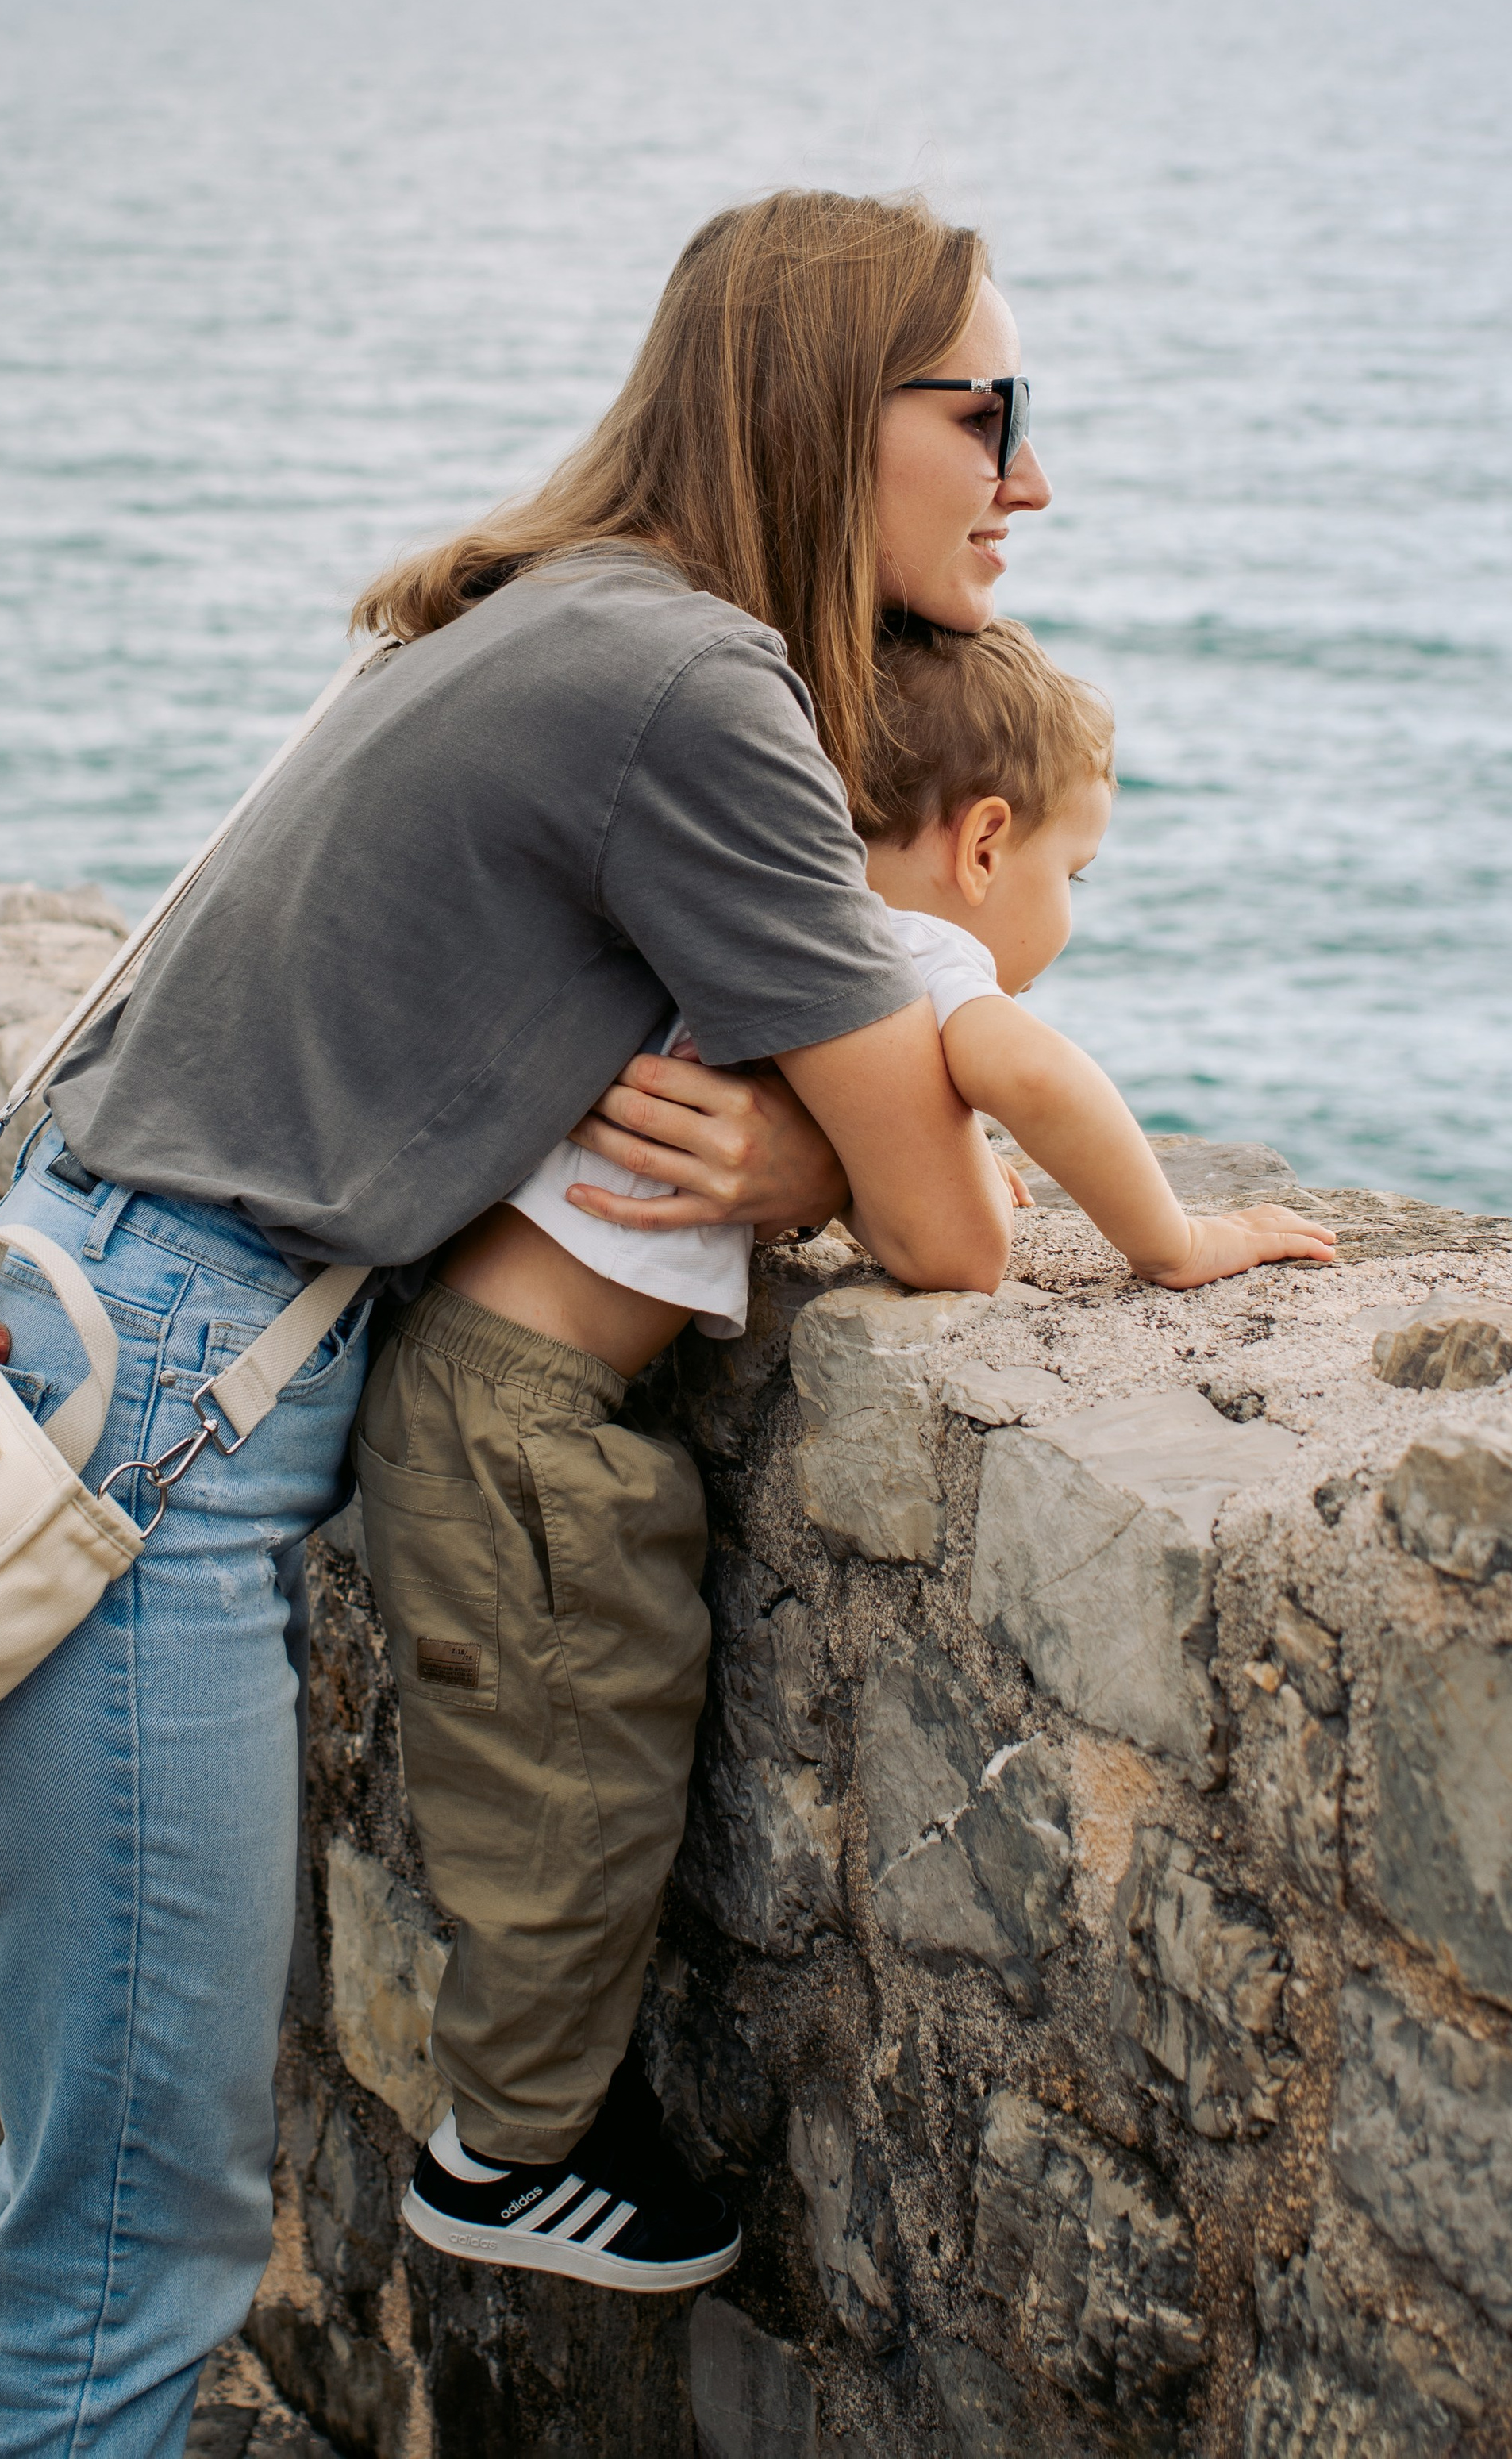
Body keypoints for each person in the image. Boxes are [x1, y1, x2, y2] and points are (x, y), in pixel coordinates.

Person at [0, 190, 1044, 2455]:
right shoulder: (694, 681)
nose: (1033, 480)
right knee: (132, 2248)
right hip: (153, 1409)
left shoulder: (558, 611)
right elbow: (951, 1229)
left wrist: (786, 1149)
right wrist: (817, 1164)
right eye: (992, 412)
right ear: (840, 413)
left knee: (123, 2214)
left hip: (101, 1340)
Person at [390, 621, 1333, 2289]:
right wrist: (1174, 1240)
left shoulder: (760, 923)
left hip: (478, 1385)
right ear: (980, 842)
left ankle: (513, 2128)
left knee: (542, 1751)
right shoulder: (904, 956)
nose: (1064, 912)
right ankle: (506, 2153)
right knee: (571, 1780)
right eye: (1073, 869)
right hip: (517, 1416)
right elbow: (1016, 1086)